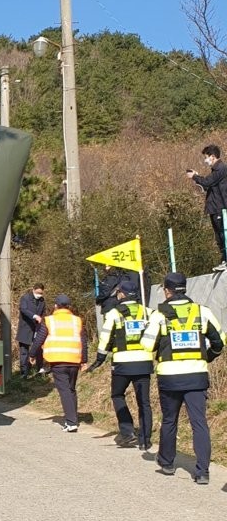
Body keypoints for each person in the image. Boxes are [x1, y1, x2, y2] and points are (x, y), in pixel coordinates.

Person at [141, 271, 225, 484]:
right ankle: (203, 471)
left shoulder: (159, 316)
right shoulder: (201, 312)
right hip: (196, 376)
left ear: (166, 290)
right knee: (199, 423)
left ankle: (167, 462)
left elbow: (147, 345)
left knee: (170, 420)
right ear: (184, 288)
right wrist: (207, 358)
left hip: (169, 377)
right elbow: (220, 342)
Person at [87, 279, 153, 449]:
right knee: (144, 401)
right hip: (144, 362)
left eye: (118, 292)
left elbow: (105, 338)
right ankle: (145, 439)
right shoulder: (147, 312)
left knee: (117, 395)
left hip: (122, 363)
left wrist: (99, 360)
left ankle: (127, 432)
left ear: (122, 294)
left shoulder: (114, 314)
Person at [28, 293, 88, 432]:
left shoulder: (49, 320)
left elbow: (39, 339)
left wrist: (32, 354)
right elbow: (83, 341)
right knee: (71, 389)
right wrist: (84, 360)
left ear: (55, 306)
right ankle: (73, 419)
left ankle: (71, 422)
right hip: (74, 360)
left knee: (64, 390)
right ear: (69, 307)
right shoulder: (77, 320)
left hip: (57, 360)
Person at [186, 143, 227, 271]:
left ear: (213, 156)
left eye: (207, 157)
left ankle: (226, 260)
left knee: (223, 234)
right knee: (219, 236)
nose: (206, 160)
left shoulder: (221, 168)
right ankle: (224, 260)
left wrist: (195, 177)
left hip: (220, 208)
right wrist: (198, 179)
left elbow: (208, 181)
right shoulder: (216, 171)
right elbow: (208, 184)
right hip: (214, 208)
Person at [16, 283, 45, 378]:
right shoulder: (25, 298)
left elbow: (43, 312)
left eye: (41, 293)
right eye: (38, 292)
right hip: (25, 328)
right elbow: (23, 309)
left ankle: (40, 368)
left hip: (37, 328)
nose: (39, 295)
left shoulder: (42, 300)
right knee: (24, 351)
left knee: (39, 348)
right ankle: (24, 372)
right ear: (33, 289)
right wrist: (34, 316)